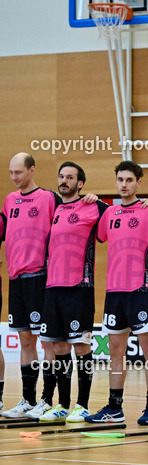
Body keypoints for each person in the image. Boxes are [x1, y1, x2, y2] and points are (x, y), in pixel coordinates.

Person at [85, 161, 148, 425]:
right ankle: (115, 408)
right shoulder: (109, 214)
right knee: (116, 351)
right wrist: (91, 198)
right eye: (120, 180)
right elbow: (98, 230)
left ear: (138, 182)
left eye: (129, 180)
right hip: (114, 292)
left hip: (141, 290)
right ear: (115, 182)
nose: (124, 184)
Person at [38, 162, 108, 422]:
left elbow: (121, 216)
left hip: (79, 288)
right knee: (58, 346)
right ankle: (63, 405)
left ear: (80, 184)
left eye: (70, 177)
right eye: (61, 176)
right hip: (52, 287)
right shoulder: (55, 208)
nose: (64, 180)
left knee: (80, 345)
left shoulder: (93, 207)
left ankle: (83, 404)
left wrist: (97, 200)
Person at [1, 153, 59, 418]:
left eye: (18, 173)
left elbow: (73, 212)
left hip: (40, 277)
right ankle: (27, 399)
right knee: (26, 339)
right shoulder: (9, 201)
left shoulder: (47, 198)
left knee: (46, 340)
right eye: (11, 173)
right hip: (16, 280)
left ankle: (46, 400)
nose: (14, 178)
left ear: (32, 170)